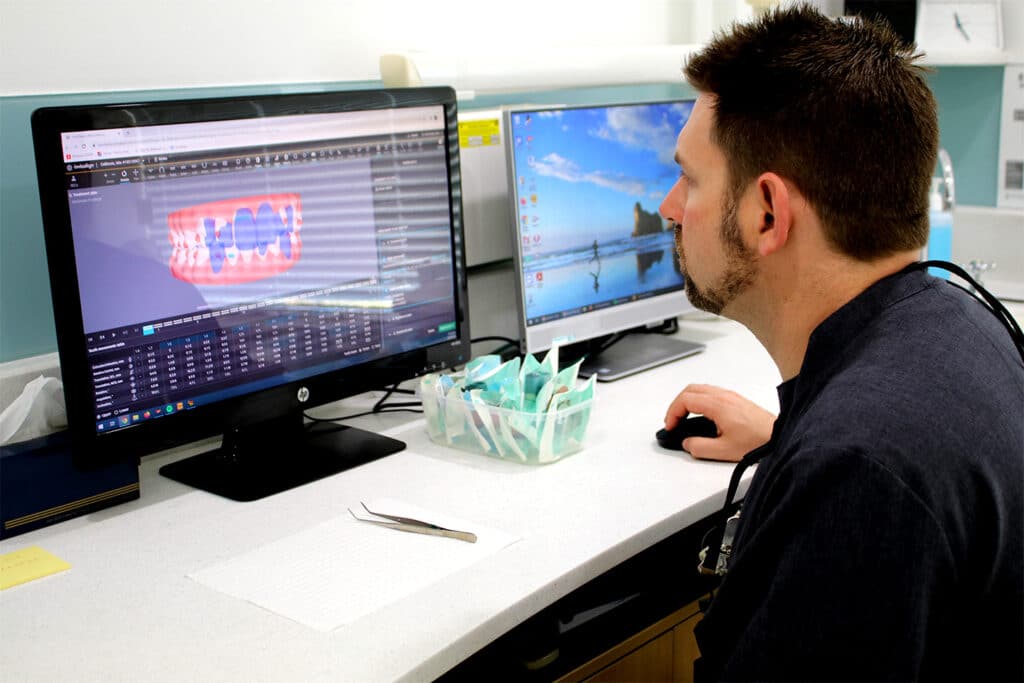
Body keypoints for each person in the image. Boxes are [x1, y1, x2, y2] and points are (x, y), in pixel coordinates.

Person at [657, 5, 1023, 682]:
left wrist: (825, 457)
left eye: (691, 179)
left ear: (768, 212)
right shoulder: (964, 326)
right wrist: (791, 439)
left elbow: (872, 465)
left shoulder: (861, 468)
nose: (669, 207)